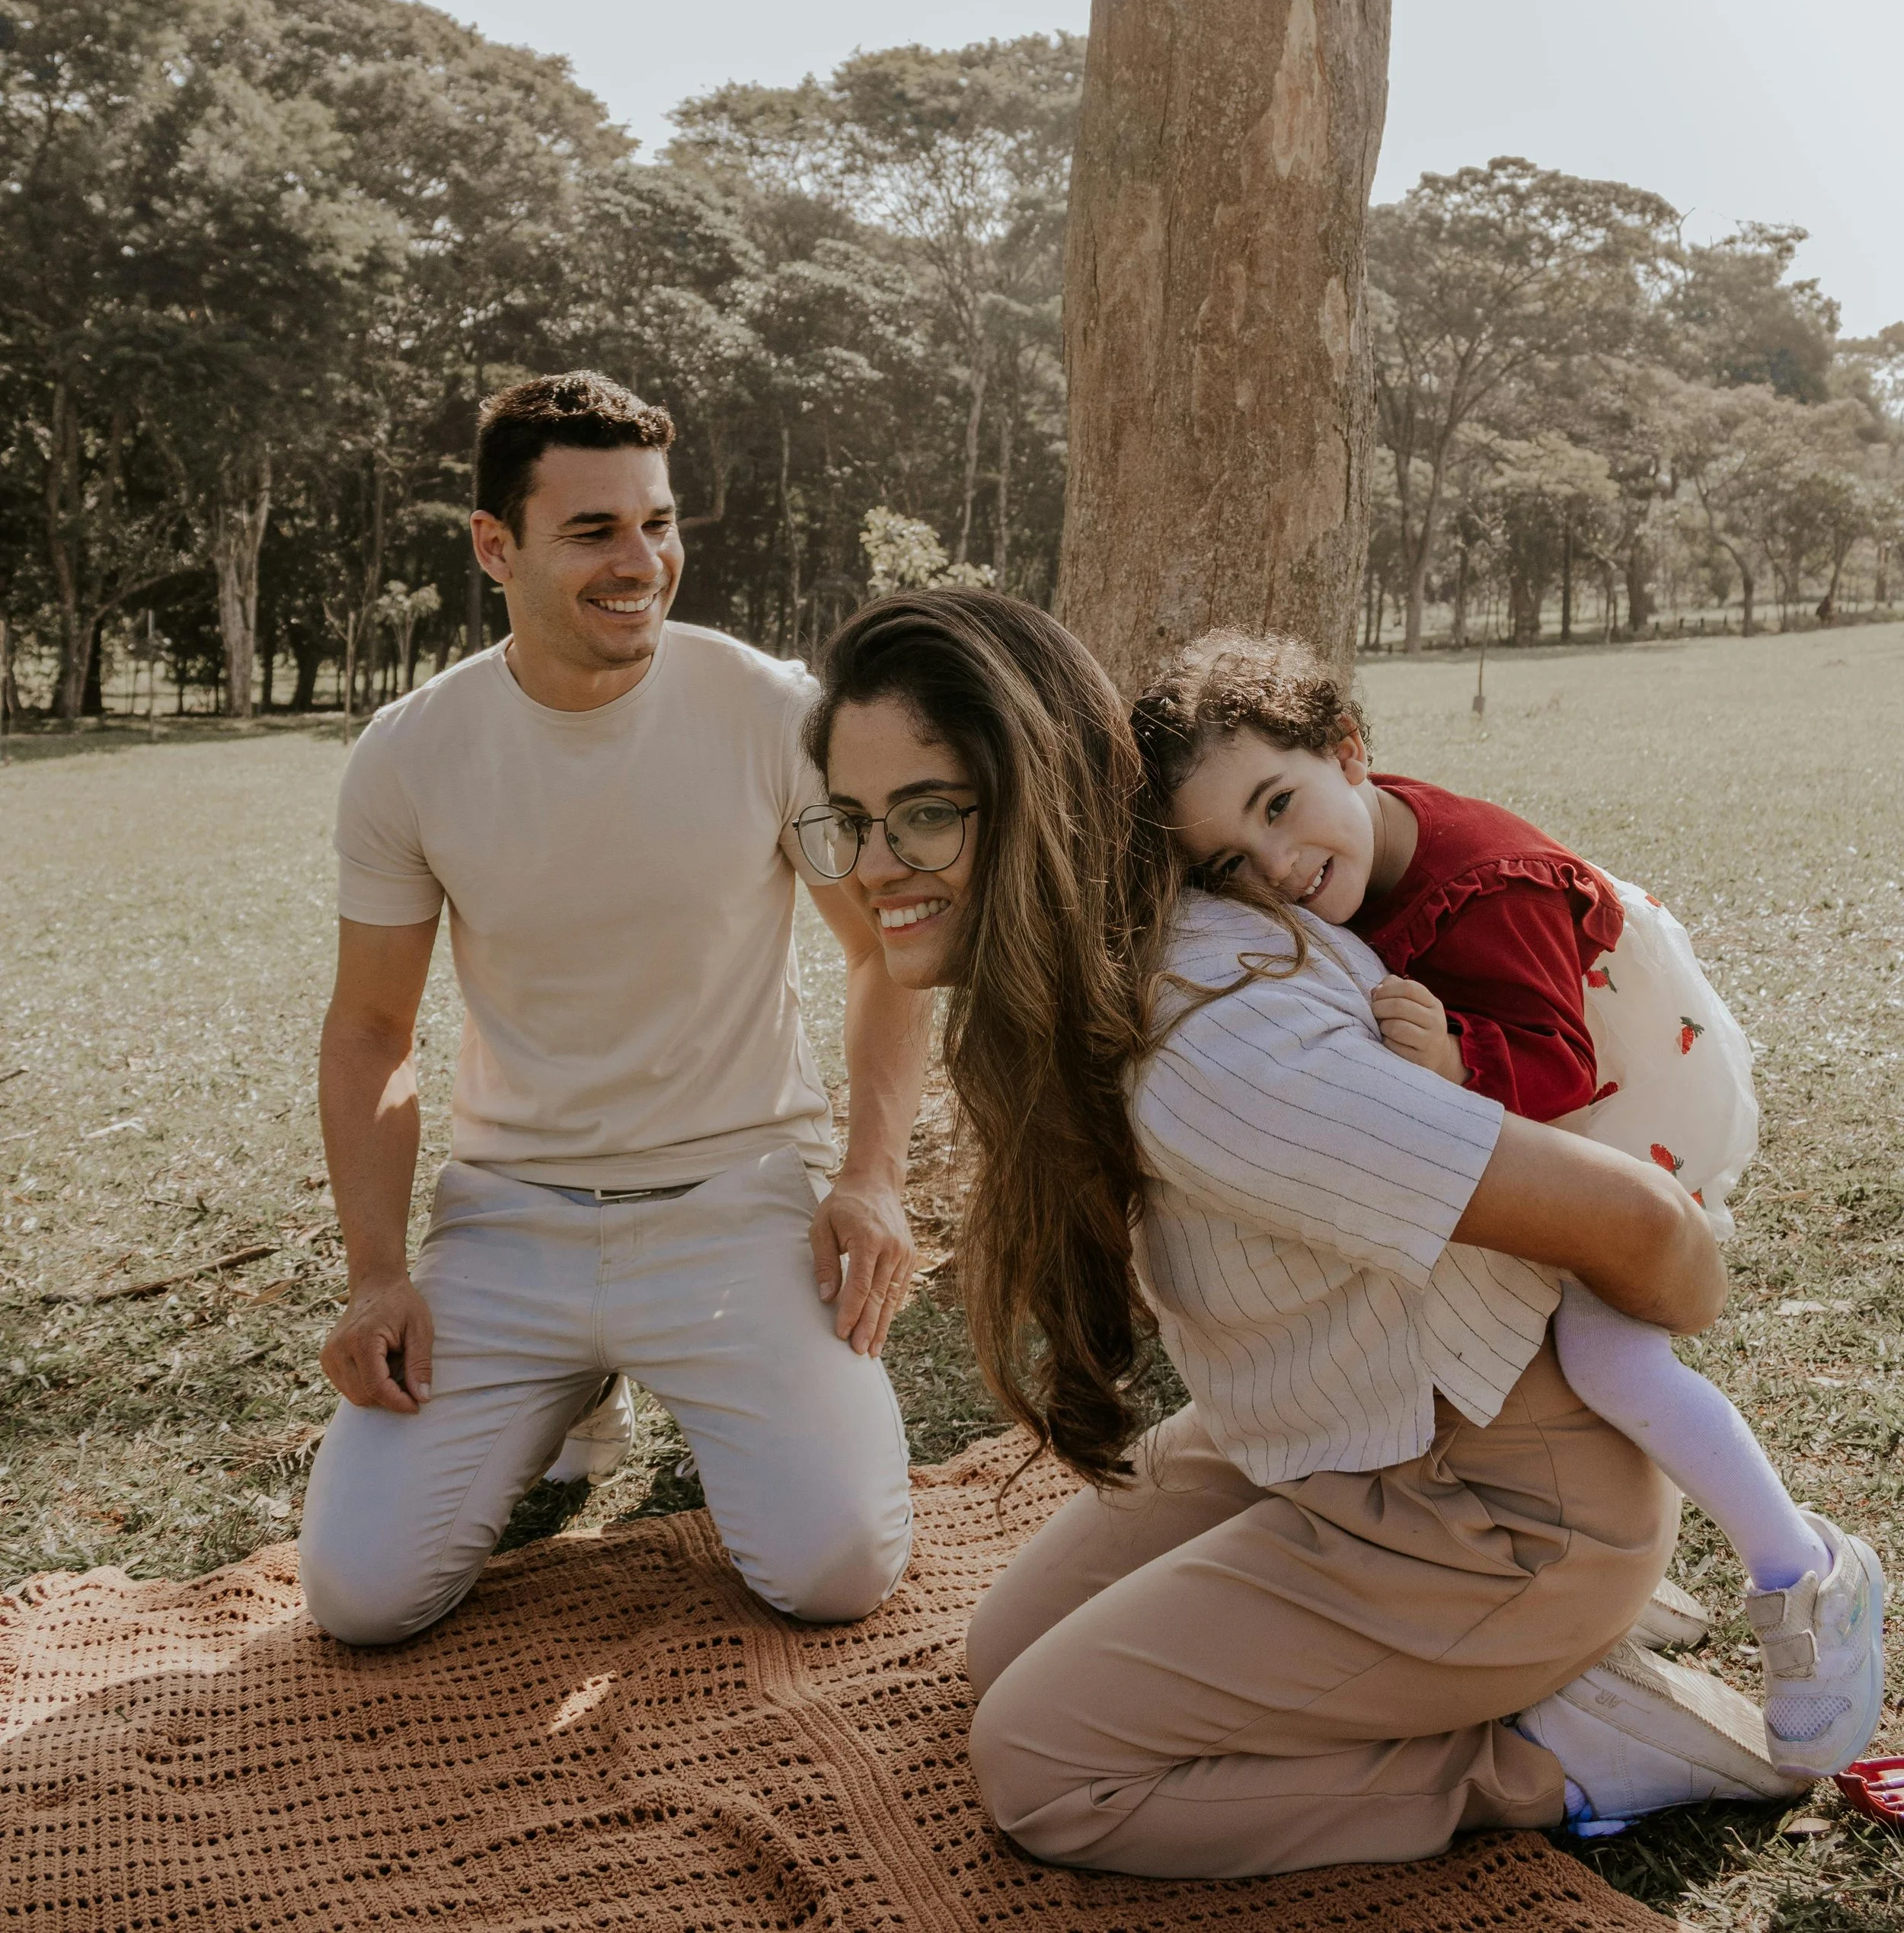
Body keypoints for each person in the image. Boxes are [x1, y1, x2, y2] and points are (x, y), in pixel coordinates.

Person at [800, 588, 1812, 1878]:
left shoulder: (1219, 1054)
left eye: (927, 813)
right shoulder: (1091, 977)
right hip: (1319, 1425)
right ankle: (1473, 1658)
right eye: (851, 821)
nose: (875, 864)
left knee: (1046, 1767)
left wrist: (1612, 1375)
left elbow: (1648, 1229)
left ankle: (1562, 1743)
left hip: (1498, 1507)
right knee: (1007, 1659)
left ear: (1042, 797)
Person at [1132, 628, 1886, 1788]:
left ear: (1350, 746)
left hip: (1616, 1129)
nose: (1275, 864)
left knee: (1611, 1364)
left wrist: (1454, 1060)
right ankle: (1629, 1600)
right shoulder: (1355, 854)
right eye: (1230, 861)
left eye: (1279, 804)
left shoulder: (1489, 882)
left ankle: (1805, 1571)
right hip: (1540, 1149)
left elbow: (1559, 1064)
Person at [299, 372, 930, 1645]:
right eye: (593, 530)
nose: (641, 560)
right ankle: (576, 1382)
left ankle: (728, 1381)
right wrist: (377, 1276)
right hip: (510, 1218)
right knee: (361, 1596)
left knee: (835, 1570)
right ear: (496, 545)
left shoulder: (771, 711)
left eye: (659, 522)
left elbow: (881, 957)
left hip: (740, 1199)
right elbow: (372, 1028)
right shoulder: (410, 753)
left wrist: (869, 1176)